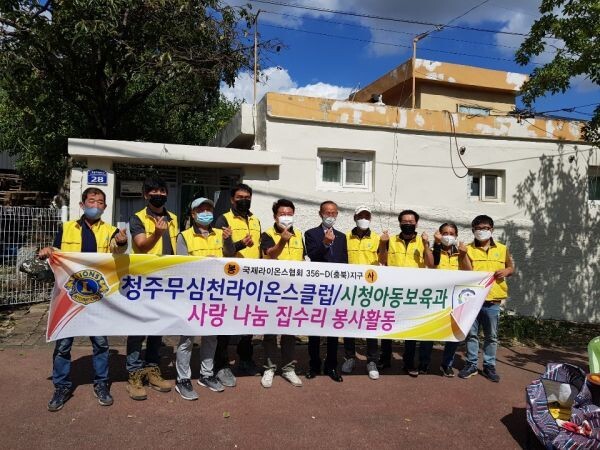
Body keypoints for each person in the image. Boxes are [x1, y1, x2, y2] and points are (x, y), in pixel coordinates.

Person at [39, 187, 128, 411]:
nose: (95, 205)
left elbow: (118, 251)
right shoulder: (67, 228)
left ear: (105, 207)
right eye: (91, 201)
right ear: (82, 204)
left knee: (101, 344)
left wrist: (122, 242)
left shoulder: (111, 231)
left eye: (100, 202)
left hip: (98, 297)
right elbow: (56, 252)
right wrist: (48, 250)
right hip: (69, 296)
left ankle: (101, 383)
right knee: (63, 344)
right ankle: (61, 386)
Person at [174, 197, 235, 400]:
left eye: (209, 209)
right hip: (192, 294)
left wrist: (228, 240)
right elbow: (181, 265)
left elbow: (230, 256)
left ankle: (206, 374)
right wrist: (203, 263)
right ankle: (183, 379)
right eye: (201, 210)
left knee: (211, 336)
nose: (206, 213)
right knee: (187, 338)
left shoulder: (220, 234)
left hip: (215, 293)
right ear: (193, 214)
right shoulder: (184, 236)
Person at [126, 177, 177, 400]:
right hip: (143, 281)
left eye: (162, 191)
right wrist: (156, 233)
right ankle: (134, 374)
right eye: (154, 191)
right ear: (146, 195)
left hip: (165, 281)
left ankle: (153, 369)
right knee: (138, 329)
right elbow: (141, 245)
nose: (159, 194)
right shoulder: (137, 218)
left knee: (158, 327)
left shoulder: (173, 218)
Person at [213, 183, 261, 387]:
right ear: (232, 200)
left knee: (248, 322)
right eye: (240, 197)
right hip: (230, 278)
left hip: (252, 279)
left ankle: (245, 359)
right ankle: (221, 365)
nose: (244, 200)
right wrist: (241, 243)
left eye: (247, 197)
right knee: (225, 323)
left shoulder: (256, 220)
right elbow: (220, 250)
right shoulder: (223, 219)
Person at [458, 215, 514, 382]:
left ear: (492, 229)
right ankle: (471, 364)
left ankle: (489, 365)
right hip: (473, 300)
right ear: (473, 230)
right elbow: (467, 273)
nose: (482, 231)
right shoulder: (467, 249)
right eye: (478, 228)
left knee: (491, 336)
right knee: (472, 335)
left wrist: (506, 271)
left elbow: (511, 267)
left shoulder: (502, 248)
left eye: (485, 228)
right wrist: (462, 255)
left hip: (493, 300)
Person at [378, 209, 434, 376]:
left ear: (416, 223)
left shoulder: (422, 242)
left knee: (411, 329)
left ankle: (408, 363)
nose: (408, 224)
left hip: (413, 293)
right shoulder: (391, 240)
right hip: (392, 291)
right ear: (400, 223)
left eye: (411, 222)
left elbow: (430, 264)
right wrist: (382, 244)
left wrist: (426, 245)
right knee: (387, 326)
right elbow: (382, 261)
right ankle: (385, 359)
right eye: (405, 222)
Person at [259, 199, 305, 388]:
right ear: (275, 216)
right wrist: (282, 241)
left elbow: (302, 260)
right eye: (282, 214)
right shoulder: (267, 234)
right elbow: (271, 253)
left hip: (293, 291)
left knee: (289, 331)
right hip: (272, 290)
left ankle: (288, 368)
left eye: (289, 214)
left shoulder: (299, 234)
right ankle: (269, 368)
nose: (286, 217)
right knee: (270, 332)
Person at [304, 200, 347, 382]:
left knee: (332, 330)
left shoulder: (342, 236)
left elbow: (344, 262)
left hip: (336, 288)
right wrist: (325, 243)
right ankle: (314, 365)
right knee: (314, 328)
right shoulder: (311, 233)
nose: (330, 216)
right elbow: (312, 255)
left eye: (333, 213)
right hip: (317, 287)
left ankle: (331, 366)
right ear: (320, 214)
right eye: (327, 212)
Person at [342, 206, 382, 380]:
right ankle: (350, 358)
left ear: (370, 219)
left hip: (370, 289)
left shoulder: (378, 238)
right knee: (349, 324)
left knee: (370, 325)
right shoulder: (345, 237)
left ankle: (371, 361)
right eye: (360, 216)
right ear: (355, 218)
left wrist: (385, 245)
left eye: (367, 216)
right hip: (349, 289)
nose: (363, 219)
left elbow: (384, 261)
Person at [431, 222, 471, 377]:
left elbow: (469, 272)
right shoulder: (433, 250)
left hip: (455, 299)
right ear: (439, 234)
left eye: (452, 233)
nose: (448, 236)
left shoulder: (461, 252)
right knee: (430, 331)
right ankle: (424, 363)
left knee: (453, 334)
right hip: (435, 298)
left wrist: (464, 255)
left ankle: (446, 364)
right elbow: (430, 266)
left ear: (456, 236)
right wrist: (436, 244)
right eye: (445, 233)